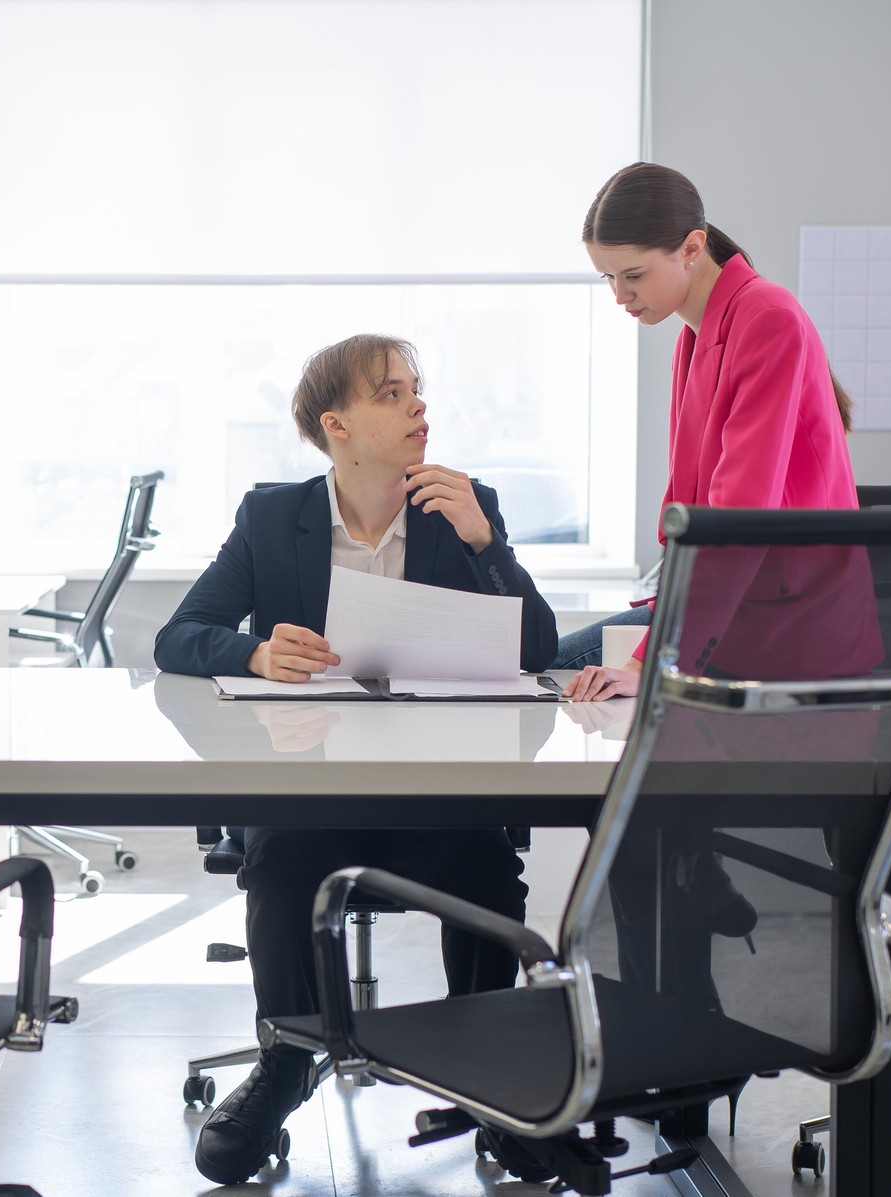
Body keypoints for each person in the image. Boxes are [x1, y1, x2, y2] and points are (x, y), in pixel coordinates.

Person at [155, 333, 558, 1185]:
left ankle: (487, 1074)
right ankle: (287, 1057)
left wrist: (489, 546)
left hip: (440, 793)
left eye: (418, 389)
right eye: (391, 394)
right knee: (280, 856)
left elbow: (542, 649)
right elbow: (178, 635)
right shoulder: (274, 517)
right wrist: (256, 652)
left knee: (487, 866)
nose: (418, 407)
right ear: (337, 425)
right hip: (315, 792)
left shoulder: (462, 506)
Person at [560, 162, 862, 700]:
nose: (619, 295)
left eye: (633, 275)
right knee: (543, 667)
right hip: (723, 601)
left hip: (780, 619)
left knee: (552, 674)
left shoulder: (769, 318)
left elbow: (735, 523)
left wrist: (646, 663)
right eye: (608, 277)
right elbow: (690, 507)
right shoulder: (694, 336)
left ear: (692, 248)